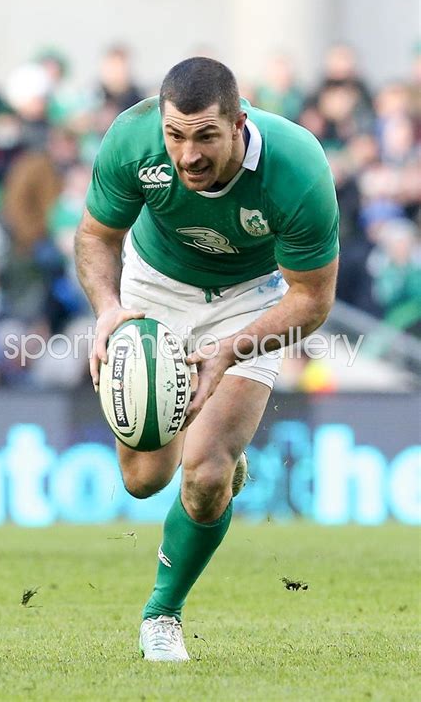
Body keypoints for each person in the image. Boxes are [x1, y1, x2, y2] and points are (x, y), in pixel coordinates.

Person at [75, 57, 339, 662]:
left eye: (205, 136)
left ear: (240, 123)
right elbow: (95, 236)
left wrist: (229, 350)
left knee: (207, 473)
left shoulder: (296, 167)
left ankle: (162, 615)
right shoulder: (132, 136)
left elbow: (312, 298)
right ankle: (215, 463)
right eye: (176, 135)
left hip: (248, 301)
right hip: (153, 286)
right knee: (144, 483)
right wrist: (108, 309)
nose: (187, 154)